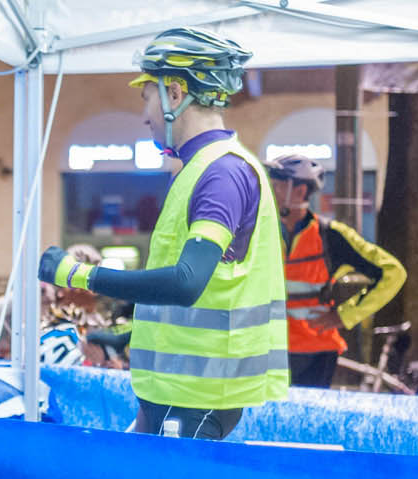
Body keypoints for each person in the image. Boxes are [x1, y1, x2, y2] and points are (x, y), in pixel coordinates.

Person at [38, 27, 287, 438]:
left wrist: (75, 274)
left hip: (196, 397)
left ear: (174, 93)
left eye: (147, 96)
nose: (145, 114)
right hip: (175, 394)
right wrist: (128, 336)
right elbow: (203, 292)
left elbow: (187, 281)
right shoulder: (201, 169)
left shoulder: (221, 173)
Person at [268, 154, 406, 388]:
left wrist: (344, 316)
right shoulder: (263, 233)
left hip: (315, 353)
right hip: (270, 347)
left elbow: (392, 272)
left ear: (300, 191)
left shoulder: (330, 236)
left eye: (277, 186)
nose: (270, 193)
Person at [0, 243, 112, 367]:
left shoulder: (92, 316)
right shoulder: (34, 295)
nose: (89, 292)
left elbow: (100, 353)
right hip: (17, 372)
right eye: (81, 283)